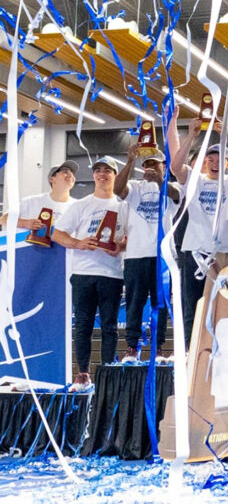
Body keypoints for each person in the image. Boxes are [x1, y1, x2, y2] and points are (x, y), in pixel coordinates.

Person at [169, 120, 228, 343]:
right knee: (193, 307)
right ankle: (191, 352)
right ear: (204, 163)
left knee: (225, 305)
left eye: (219, 159)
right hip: (194, 251)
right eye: (210, 159)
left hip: (223, 252)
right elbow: (176, 168)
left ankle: (223, 350)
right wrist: (191, 135)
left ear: (226, 163)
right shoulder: (196, 181)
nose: (214, 163)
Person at [51, 157, 127, 391]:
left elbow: (131, 236)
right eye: (98, 171)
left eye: (107, 171)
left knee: (110, 326)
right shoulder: (81, 205)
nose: (102, 174)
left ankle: (107, 372)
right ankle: (82, 373)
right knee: (83, 325)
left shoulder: (124, 205)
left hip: (112, 274)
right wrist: (79, 243)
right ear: (93, 176)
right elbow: (57, 234)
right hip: (83, 273)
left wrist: (120, 246)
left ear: (115, 175)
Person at [113, 141, 181, 364]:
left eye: (155, 164)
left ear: (164, 166)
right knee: (134, 303)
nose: (150, 168)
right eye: (147, 164)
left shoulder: (173, 186)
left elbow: (175, 196)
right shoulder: (135, 187)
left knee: (161, 304)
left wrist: (160, 181)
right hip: (135, 256)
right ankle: (132, 347)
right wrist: (130, 160)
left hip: (163, 258)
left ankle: (158, 348)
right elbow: (117, 189)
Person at [1, 160, 78, 232]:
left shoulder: (77, 206)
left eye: (72, 174)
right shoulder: (31, 202)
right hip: (32, 245)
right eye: (65, 172)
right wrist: (24, 223)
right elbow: (3, 219)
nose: (70, 176)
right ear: (52, 179)